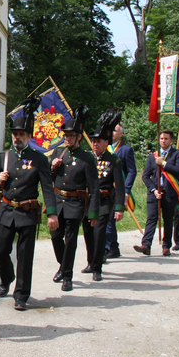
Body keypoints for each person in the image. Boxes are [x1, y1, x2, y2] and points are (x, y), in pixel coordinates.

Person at [0, 100, 59, 310]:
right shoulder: (5, 156)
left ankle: (21, 295)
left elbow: (47, 187)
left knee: (25, 256)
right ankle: (7, 277)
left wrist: (52, 213)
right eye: (15, 134)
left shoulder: (38, 159)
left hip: (28, 212)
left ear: (29, 137)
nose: (17, 137)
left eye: (21, 134)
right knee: (0, 250)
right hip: (7, 210)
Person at [49, 106, 99, 291]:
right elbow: (46, 178)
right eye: (65, 135)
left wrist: (93, 212)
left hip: (75, 204)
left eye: (71, 136)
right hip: (57, 201)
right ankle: (63, 265)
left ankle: (67, 276)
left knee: (71, 239)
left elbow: (93, 187)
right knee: (55, 236)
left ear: (78, 137)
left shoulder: (87, 159)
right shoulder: (57, 153)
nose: (67, 138)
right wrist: (52, 166)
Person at [82, 115, 124, 282]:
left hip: (104, 202)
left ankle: (97, 267)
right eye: (93, 141)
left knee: (99, 235)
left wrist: (120, 208)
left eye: (99, 141)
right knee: (88, 234)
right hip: (87, 202)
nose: (95, 144)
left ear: (106, 143)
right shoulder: (87, 159)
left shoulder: (113, 160)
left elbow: (119, 186)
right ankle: (91, 261)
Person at [134, 129, 179, 256]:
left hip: (169, 192)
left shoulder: (177, 154)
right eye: (161, 138)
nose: (163, 141)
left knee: (168, 219)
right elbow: (146, 176)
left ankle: (166, 245)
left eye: (166, 138)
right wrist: (153, 189)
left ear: (171, 140)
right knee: (151, 218)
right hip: (155, 192)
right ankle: (146, 245)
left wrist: (164, 163)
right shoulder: (153, 155)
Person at [105, 122, 136, 260]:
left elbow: (131, 171)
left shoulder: (125, 150)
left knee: (110, 219)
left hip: (118, 189)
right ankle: (113, 247)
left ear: (121, 133)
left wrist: (126, 189)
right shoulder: (104, 147)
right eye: (110, 130)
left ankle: (108, 248)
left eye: (115, 131)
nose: (112, 133)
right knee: (107, 219)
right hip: (105, 188)